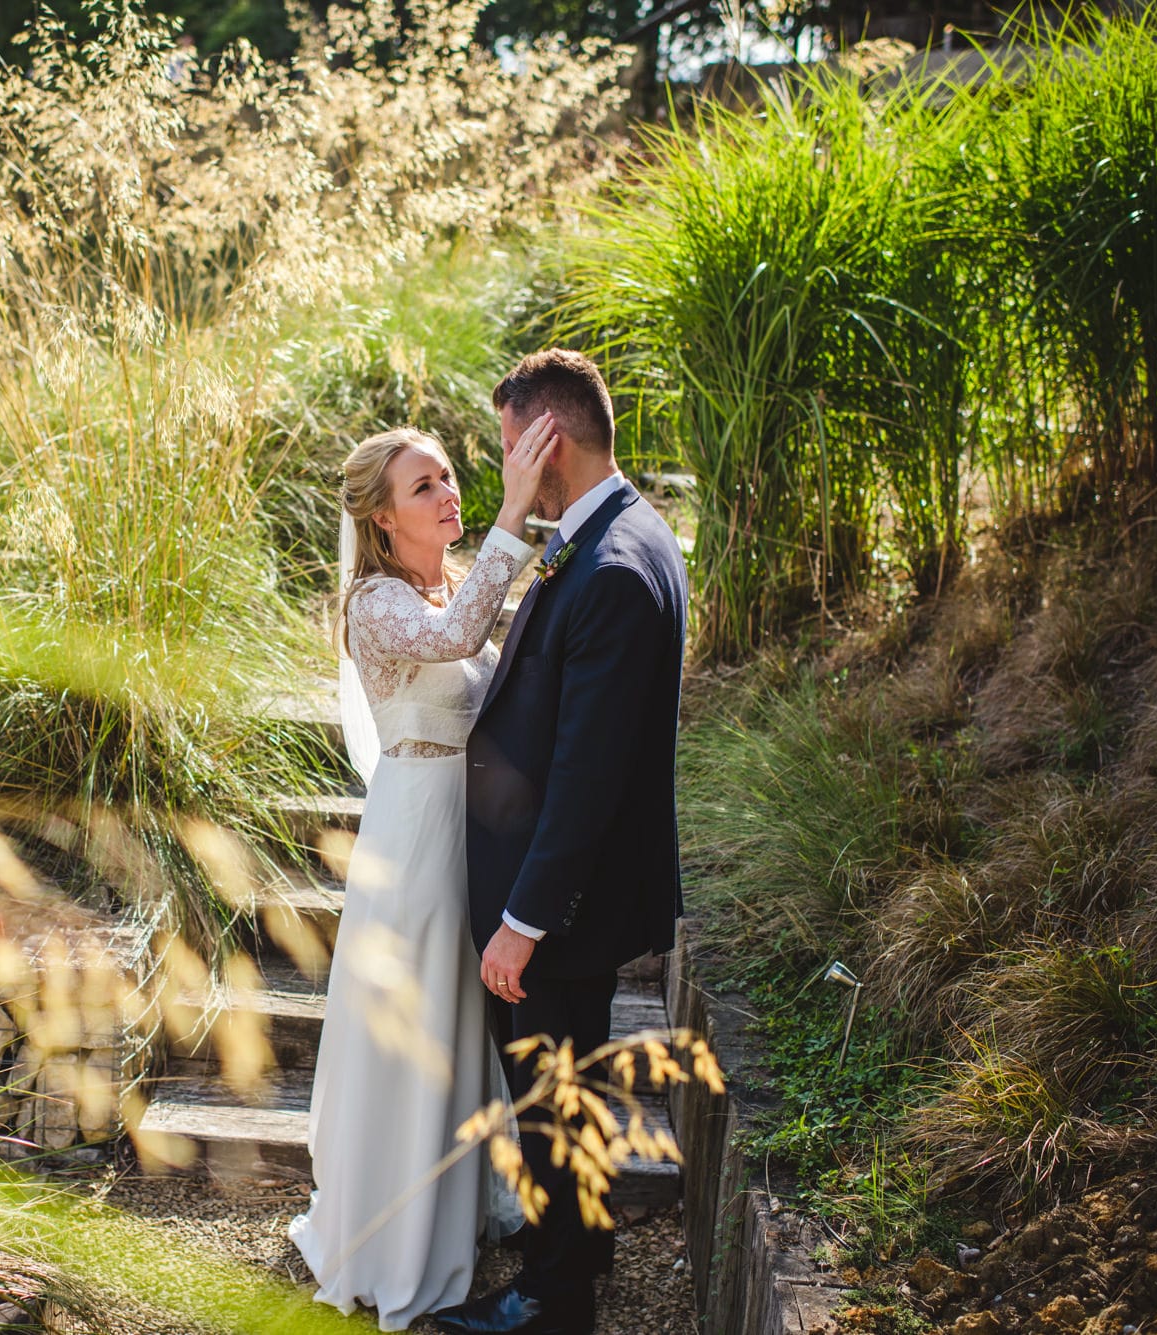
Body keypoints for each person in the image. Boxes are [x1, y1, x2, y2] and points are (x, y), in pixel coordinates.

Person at [435, 348, 688, 1335]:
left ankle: (551, 1300)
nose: (502, 469)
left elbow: (585, 777)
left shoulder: (616, 567)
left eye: (509, 448)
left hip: (556, 907)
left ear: (547, 442)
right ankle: (573, 1258)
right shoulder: (609, 534)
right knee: (564, 1090)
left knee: (548, 1098)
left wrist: (521, 921)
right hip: (558, 898)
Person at [290, 417, 559, 1330]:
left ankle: (453, 1206)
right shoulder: (375, 602)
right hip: (415, 831)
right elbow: (454, 637)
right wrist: (517, 515)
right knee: (413, 1020)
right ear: (380, 518)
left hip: (469, 828)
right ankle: (394, 1239)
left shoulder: (446, 580)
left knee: (457, 1016)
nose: (449, 493)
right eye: (424, 487)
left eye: (448, 477)